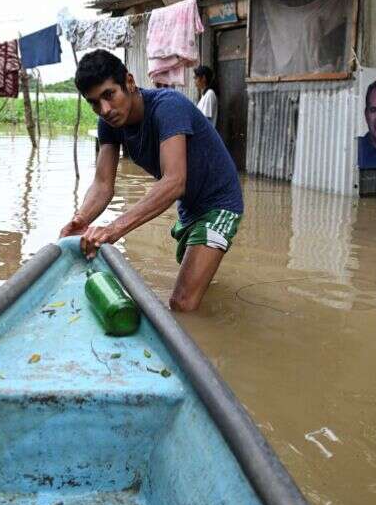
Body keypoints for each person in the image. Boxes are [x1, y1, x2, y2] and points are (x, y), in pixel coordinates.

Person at [60, 50, 244, 312]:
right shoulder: (109, 124)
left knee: (182, 303)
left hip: (220, 203)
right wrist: (81, 219)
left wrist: (112, 230)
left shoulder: (168, 107)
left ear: (130, 82)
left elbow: (174, 181)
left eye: (109, 95)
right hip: (189, 207)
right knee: (196, 277)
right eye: (94, 103)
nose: (105, 110)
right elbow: (102, 185)